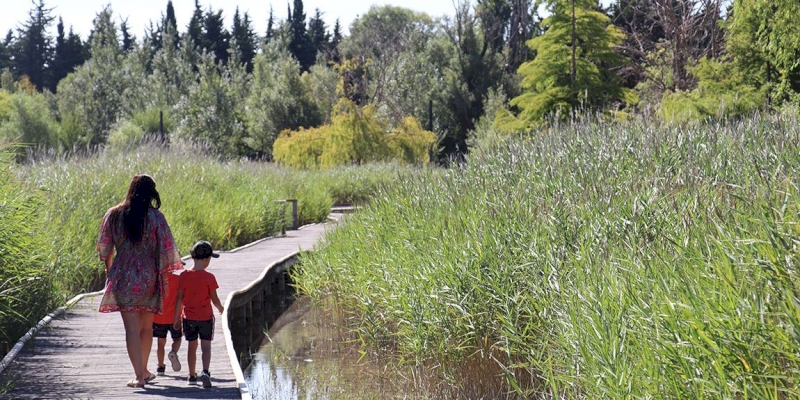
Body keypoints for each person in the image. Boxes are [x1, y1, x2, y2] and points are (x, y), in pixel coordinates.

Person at [96, 174, 184, 388]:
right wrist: (163, 277)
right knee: (147, 328)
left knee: (132, 329)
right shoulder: (155, 217)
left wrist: (111, 272)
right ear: (151, 192)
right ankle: (143, 371)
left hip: (123, 276)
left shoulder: (113, 214)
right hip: (149, 276)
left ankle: (140, 375)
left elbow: (105, 248)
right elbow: (167, 249)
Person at [174, 240, 224, 388]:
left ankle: (191, 376)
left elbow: (179, 299)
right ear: (207, 259)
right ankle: (206, 372)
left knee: (192, 346)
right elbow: (214, 298)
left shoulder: (183, 276)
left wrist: (176, 317)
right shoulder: (209, 277)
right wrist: (221, 308)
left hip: (188, 318)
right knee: (206, 347)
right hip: (206, 318)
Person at [152, 265, 184, 376]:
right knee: (177, 339)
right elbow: (182, 298)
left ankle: (160, 367)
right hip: (174, 317)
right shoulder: (178, 280)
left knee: (160, 343)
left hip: (158, 317)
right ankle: (173, 352)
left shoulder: (156, 280)